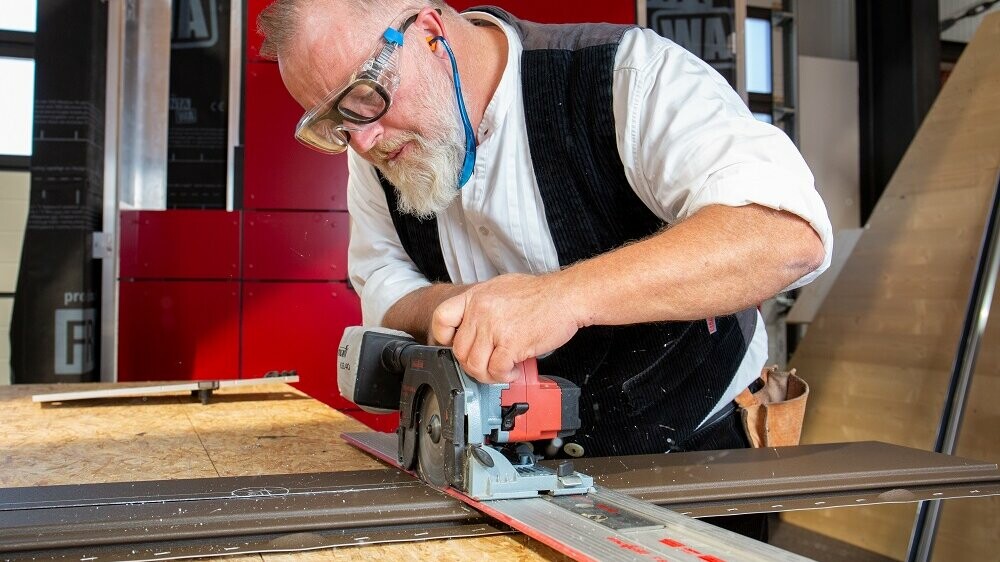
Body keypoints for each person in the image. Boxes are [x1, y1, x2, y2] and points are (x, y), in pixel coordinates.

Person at [258, 0, 831, 540]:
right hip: (512, 477)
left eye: (364, 98)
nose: (362, 140)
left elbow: (784, 234)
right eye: (333, 124)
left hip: (697, 454)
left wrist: (560, 298)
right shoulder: (378, 148)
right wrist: (453, 309)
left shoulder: (624, 75)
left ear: (429, 34)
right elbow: (381, 279)